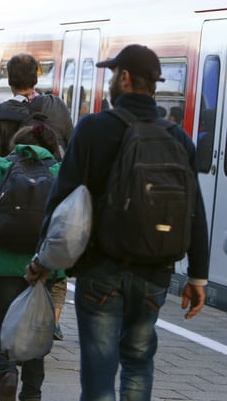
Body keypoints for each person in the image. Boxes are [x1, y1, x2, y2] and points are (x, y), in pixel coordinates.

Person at [26, 44, 209, 401]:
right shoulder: (178, 137)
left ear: (124, 78)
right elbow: (195, 210)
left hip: (101, 270)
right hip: (155, 272)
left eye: (112, 74)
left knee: (99, 368)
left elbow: (62, 200)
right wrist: (198, 276)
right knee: (139, 361)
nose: (110, 81)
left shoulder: (94, 128)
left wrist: (43, 261)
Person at [0, 124, 64, 401]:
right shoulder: (58, 171)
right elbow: (66, 220)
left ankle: (7, 372)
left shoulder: (1, 165)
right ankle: (32, 393)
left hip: (4, 262)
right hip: (42, 267)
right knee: (36, 328)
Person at [0, 53, 73, 191]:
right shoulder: (57, 106)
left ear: (9, 80)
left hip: (13, 197)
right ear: (36, 79)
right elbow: (71, 151)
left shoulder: (1, 114)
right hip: (51, 193)